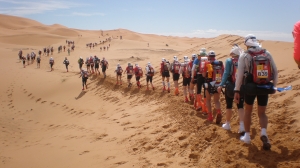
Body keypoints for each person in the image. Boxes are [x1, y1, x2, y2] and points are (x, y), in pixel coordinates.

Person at [234, 34, 278, 150]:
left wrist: (237, 90)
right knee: (262, 113)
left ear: (247, 44)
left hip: (250, 87)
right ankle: (264, 132)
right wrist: (273, 86)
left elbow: (239, 75)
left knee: (248, 111)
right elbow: (275, 71)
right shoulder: (266, 53)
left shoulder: (244, 55)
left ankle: (247, 136)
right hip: (264, 87)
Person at [217, 44, 245, 135]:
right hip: (240, 87)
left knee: (229, 105)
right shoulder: (242, 60)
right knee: (240, 106)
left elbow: (226, 74)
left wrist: (221, 85)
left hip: (230, 86)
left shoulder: (229, 61)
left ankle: (228, 124)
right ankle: (242, 126)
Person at [203, 50, 224, 123]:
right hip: (218, 84)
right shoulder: (220, 63)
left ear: (208, 56)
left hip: (209, 84)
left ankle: (210, 117)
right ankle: (218, 112)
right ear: (215, 56)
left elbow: (203, 74)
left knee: (208, 100)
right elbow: (223, 73)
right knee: (216, 100)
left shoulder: (207, 63)